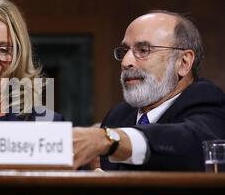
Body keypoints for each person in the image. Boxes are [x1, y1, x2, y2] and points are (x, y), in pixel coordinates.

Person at [72, 10, 225, 171]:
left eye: (143, 50)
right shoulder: (118, 116)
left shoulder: (207, 101)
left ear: (183, 62)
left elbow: (189, 143)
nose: (126, 62)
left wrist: (108, 139)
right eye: (124, 51)